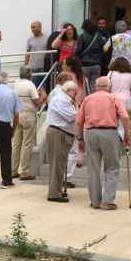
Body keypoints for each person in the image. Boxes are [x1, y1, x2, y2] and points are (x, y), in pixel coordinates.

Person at [75, 76, 131, 210]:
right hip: (109, 133)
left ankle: (95, 201)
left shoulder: (87, 99)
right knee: (112, 167)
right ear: (109, 87)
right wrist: (127, 134)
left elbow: (78, 121)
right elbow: (125, 116)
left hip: (91, 133)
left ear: (96, 86)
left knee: (93, 169)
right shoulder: (114, 98)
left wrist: (80, 139)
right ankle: (107, 200)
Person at [44, 75, 79, 203]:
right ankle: (54, 193)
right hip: (59, 133)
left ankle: (57, 190)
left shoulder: (64, 99)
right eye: (75, 91)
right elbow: (71, 116)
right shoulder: (62, 99)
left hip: (62, 133)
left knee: (60, 164)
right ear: (69, 90)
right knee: (57, 165)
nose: (76, 94)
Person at [10, 65, 42, 181]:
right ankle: (24, 171)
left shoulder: (15, 84)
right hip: (28, 115)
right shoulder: (30, 85)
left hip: (17, 114)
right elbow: (36, 101)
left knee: (16, 143)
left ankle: (13, 170)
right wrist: (42, 98)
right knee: (27, 143)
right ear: (30, 74)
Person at [62, 56, 87, 182]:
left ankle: (67, 171)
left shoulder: (67, 78)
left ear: (69, 66)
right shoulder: (83, 78)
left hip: (70, 108)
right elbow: (86, 93)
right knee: (79, 136)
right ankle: (80, 158)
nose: (62, 65)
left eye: (64, 63)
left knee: (71, 139)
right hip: (81, 108)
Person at [76, 19, 105, 94]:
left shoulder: (82, 37)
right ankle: (93, 102)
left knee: (84, 86)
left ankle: (86, 103)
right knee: (94, 86)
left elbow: (78, 51)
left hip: (84, 65)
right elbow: (103, 49)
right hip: (96, 65)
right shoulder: (99, 36)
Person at [24, 21, 49, 87]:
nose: (32, 29)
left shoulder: (47, 38)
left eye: (34, 27)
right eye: (31, 27)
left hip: (43, 68)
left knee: (44, 87)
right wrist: (25, 66)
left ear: (40, 27)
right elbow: (27, 53)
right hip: (33, 68)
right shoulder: (30, 39)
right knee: (34, 87)